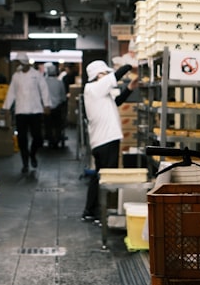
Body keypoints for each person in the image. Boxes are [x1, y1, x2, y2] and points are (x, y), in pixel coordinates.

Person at [81, 58, 137, 222]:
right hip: (106, 140)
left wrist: (130, 88)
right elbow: (116, 76)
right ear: (98, 75)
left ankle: (90, 210)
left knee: (99, 176)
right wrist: (130, 66)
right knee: (107, 178)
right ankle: (100, 212)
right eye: (105, 73)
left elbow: (116, 102)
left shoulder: (99, 92)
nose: (108, 76)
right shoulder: (94, 88)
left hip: (103, 140)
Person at [3, 52, 50, 174]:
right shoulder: (16, 76)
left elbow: (44, 89)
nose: (18, 65)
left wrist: (46, 104)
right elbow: (11, 92)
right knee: (22, 139)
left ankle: (32, 154)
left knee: (37, 137)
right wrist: (7, 107)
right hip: (21, 111)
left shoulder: (36, 75)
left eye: (19, 63)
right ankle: (25, 163)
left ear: (24, 63)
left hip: (35, 111)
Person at [43, 63, 68, 148]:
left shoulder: (44, 82)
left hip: (46, 107)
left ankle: (49, 137)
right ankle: (57, 138)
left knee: (47, 124)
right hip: (57, 107)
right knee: (58, 124)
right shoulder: (59, 82)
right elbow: (63, 96)